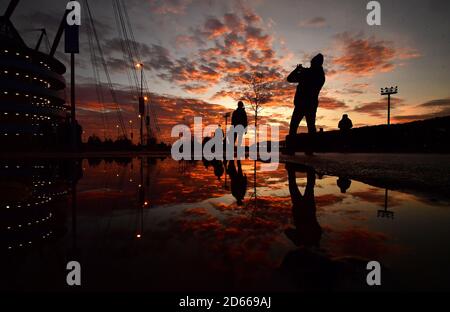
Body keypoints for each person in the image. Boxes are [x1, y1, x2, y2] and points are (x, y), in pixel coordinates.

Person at [286, 53, 326, 154]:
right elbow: (290, 79)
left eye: (312, 63)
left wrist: (300, 71)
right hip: (307, 104)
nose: (311, 64)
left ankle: (296, 149)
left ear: (317, 63)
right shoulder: (314, 73)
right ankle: (306, 149)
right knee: (308, 126)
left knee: (298, 126)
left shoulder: (315, 74)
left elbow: (291, 79)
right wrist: (297, 71)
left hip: (305, 104)